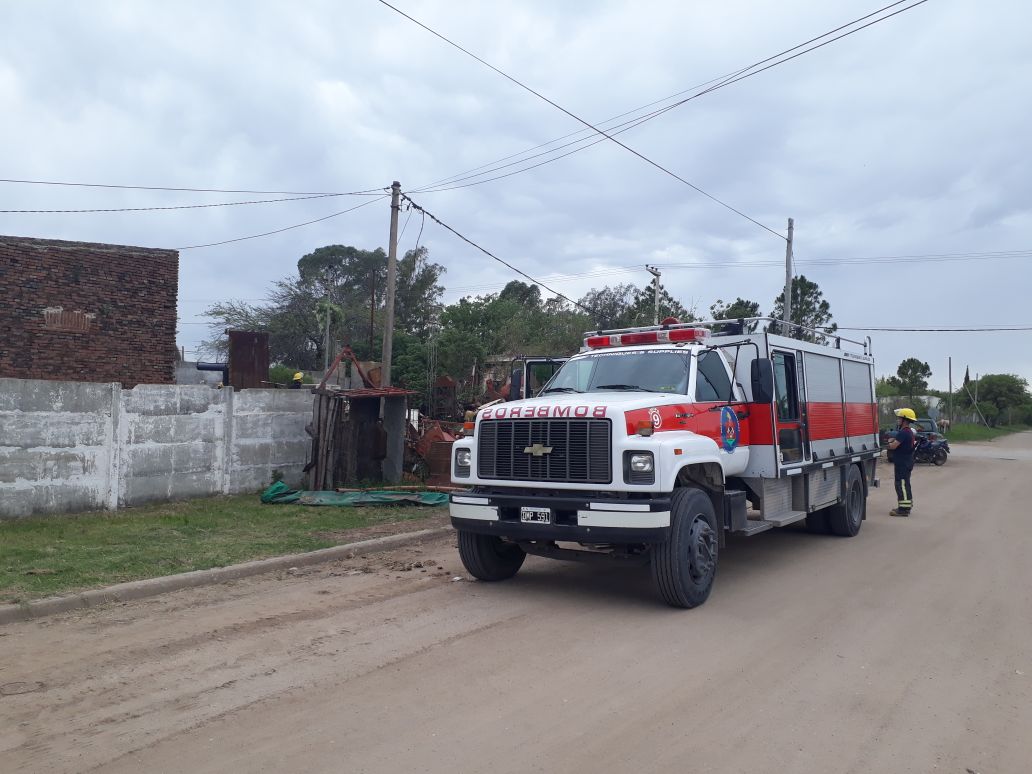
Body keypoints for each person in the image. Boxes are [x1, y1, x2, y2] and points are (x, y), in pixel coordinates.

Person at [887, 407, 918, 516]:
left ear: (904, 420)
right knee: (905, 484)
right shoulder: (909, 432)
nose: (898, 420)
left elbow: (894, 446)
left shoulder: (903, 433)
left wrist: (887, 444)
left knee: (901, 485)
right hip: (907, 462)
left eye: (899, 418)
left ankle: (903, 509)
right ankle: (907, 505)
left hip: (902, 463)